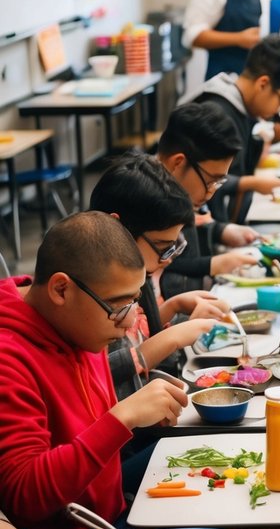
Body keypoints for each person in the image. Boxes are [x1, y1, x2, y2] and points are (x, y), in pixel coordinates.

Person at [0, 212, 188, 529]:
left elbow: (83, 428)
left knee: (203, 462)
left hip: (110, 508)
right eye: (119, 307)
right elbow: (24, 494)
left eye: (135, 301)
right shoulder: (9, 357)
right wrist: (122, 418)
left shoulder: (80, 324)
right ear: (61, 289)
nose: (130, 322)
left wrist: (136, 414)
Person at [89, 154, 230, 400]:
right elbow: (95, 376)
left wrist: (171, 308)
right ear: (117, 229)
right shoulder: (90, 293)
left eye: (174, 247)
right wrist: (168, 340)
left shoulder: (132, 279)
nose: (168, 259)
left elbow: (136, 336)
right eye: (161, 246)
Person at [189, 35, 280, 223]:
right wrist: (252, 183)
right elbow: (197, 184)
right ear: (263, 84)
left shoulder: (238, 106)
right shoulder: (215, 114)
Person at [156, 101, 263, 297]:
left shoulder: (178, 191)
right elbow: (160, 262)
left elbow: (192, 231)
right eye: (211, 181)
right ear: (178, 163)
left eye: (220, 182)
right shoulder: (145, 203)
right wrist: (213, 264)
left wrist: (221, 231)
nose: (211, 192)